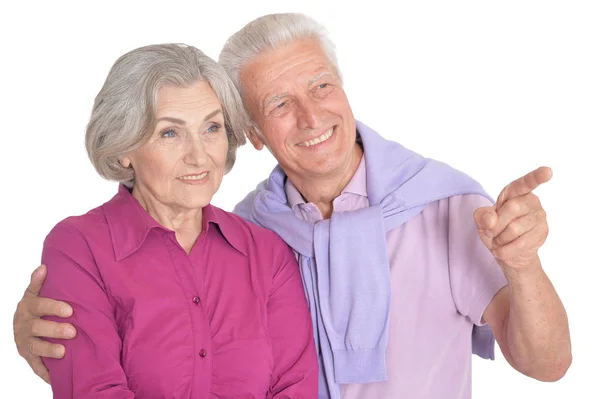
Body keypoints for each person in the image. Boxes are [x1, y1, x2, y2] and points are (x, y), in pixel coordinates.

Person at [13, 13, 571, 399]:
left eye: (322, 86)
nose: (310, 116)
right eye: (279, 102)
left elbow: (549, 367)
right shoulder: (254, 228)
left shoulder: (448, 205)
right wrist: (31, 337)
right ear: (252, 133)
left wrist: (523, 267)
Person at [15, 42, 318, 398]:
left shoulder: (266, 252)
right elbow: (95, 391)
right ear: (124, 147)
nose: (199, 155)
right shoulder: (79, 247)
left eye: (212, 128)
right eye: (169, 133)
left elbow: (294, 388)